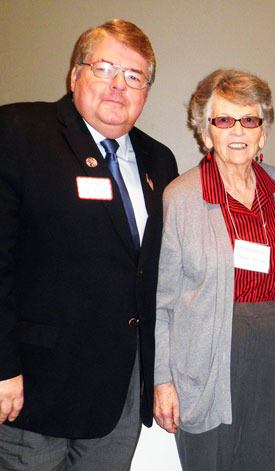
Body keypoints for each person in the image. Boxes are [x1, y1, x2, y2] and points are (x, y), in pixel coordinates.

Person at [0, 19, 178, 470]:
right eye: (105, 69)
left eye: (134, 77)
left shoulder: (160, 160)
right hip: (34, 390)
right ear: (75, 74)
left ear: (146, 92)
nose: (119, 86)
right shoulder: (19, 131)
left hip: (119, 395)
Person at [153, 68, 275, 471]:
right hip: (205, 363)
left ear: (263, 132)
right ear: (206, 133)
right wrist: (162, 380)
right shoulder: (181, 197)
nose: (237, 130)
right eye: (223, 120)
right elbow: (162, 301)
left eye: (249, 119)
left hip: (273, 362)